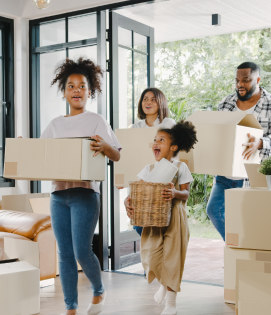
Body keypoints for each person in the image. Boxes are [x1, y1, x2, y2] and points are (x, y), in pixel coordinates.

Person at [40, 57, 122, 315]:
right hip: (58, 195)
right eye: (71, 86)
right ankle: (70, 307)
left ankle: (98, 289)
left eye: (82, 86)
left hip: (85, 195)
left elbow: (116, 154)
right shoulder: (55, 124)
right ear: (64, 92)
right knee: (64, 254)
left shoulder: (96, 120)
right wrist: (24, 146)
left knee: (81, 251)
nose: (77, 90)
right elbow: (40, 154)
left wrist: (104, 146)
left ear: (90, 91)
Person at [124, 121, 198, 315]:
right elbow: (136, 191)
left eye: (161, 140)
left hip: (175, 218)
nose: (155, 143)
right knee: (150, 255)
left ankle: (171, 304)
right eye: (155, 140)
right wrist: (127, 201)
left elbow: (186, 194)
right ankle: (163, 284)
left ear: (173, 147)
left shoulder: (180, 167)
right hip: (152, 219)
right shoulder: (148, 169)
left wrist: (175, 193)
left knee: (173, 258)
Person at [206, 61, 271, 240]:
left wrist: (260, 143)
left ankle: (245, 251)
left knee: (248, 219)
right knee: (213, 211)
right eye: (237, 80)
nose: (240, 84)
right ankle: (235, 247)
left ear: (258, 79)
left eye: (246, 80)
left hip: (252, 173)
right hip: (225, 173)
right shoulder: (225, 103)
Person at [126, 88, 176, 237]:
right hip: (141, 182)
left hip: (161, 180)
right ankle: (150, 259)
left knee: (158, 226)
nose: (148, 102)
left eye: (153, 99)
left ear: (161, 103)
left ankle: (156, 259)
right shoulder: (136, 127)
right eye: (145, 99)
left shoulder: (168, 123)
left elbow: (174, 153)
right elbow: (131, 158)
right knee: (139, 224)